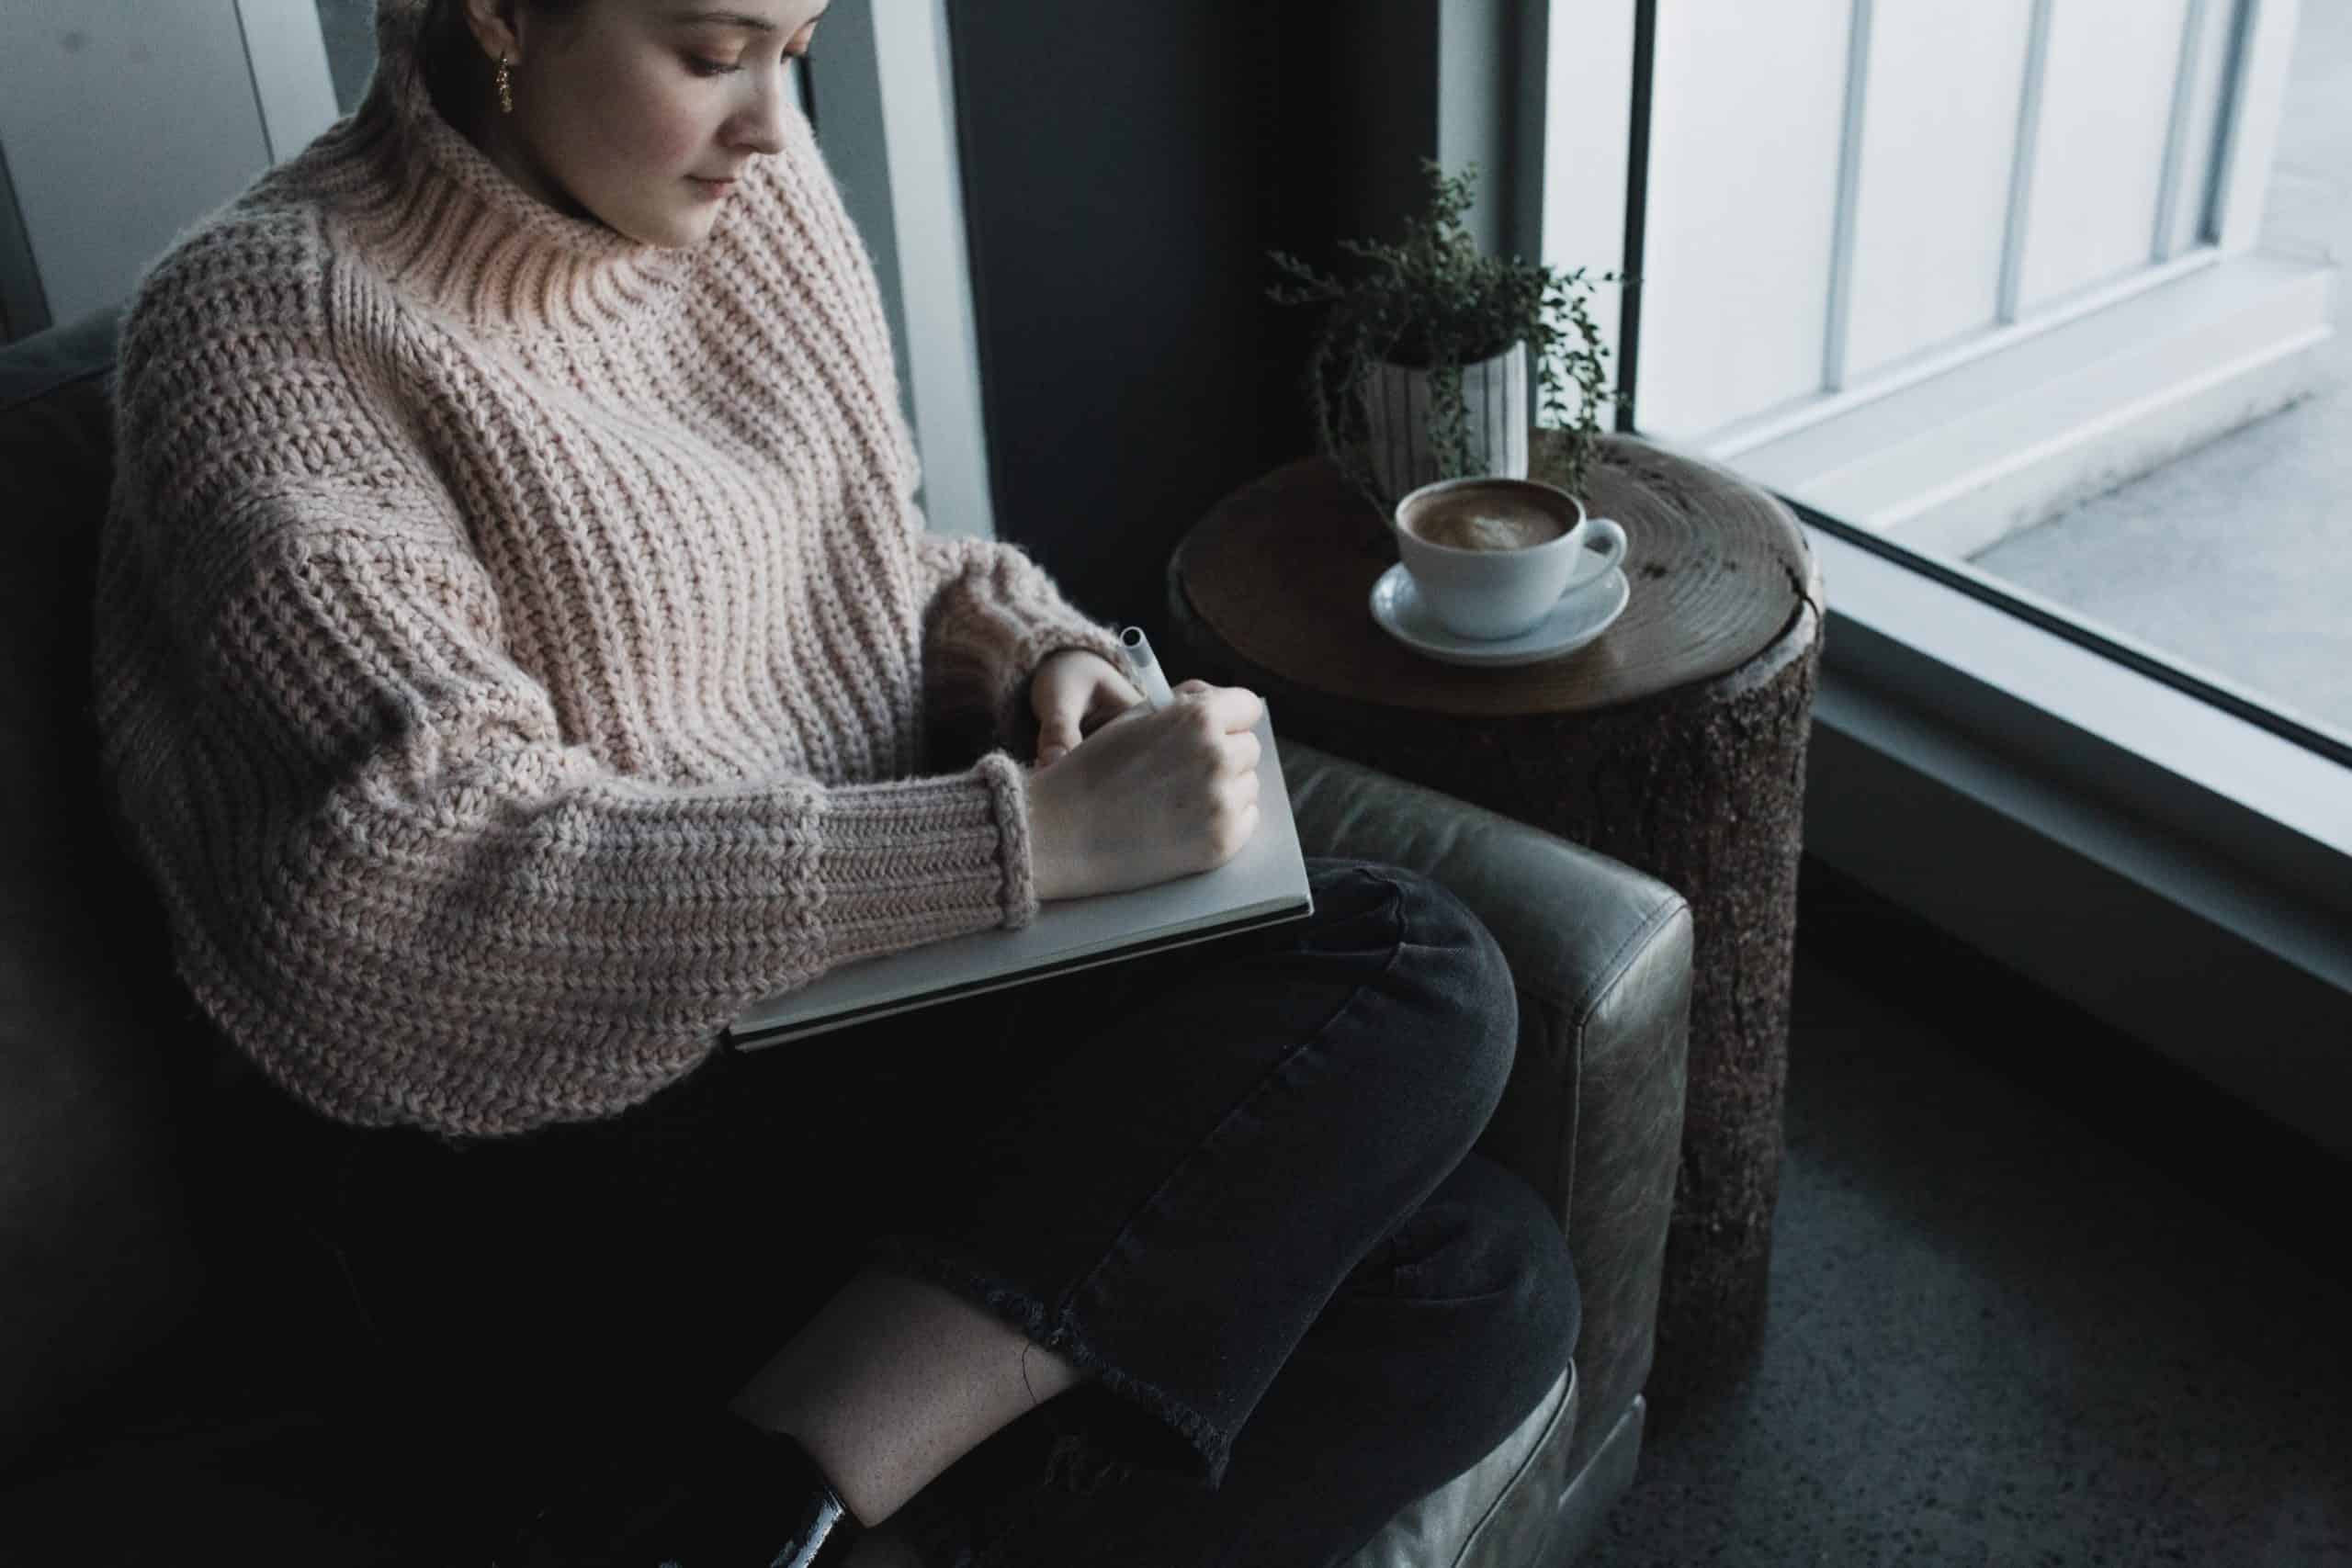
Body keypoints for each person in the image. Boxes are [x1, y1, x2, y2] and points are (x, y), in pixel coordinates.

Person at [86, 1, 1582, 1563]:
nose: (767, 118)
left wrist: (1032, 658)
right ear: (502, 13)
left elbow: (863, 572)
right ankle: (782, 1487)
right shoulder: (263, 329)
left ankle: (772, 1500)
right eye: (713, 50)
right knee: (1412, 963)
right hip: (543, 1133)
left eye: (793, 48)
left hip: (846, 1009)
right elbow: (417, 873)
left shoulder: (741, 191)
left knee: (1485, 1280)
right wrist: (1022, 846)